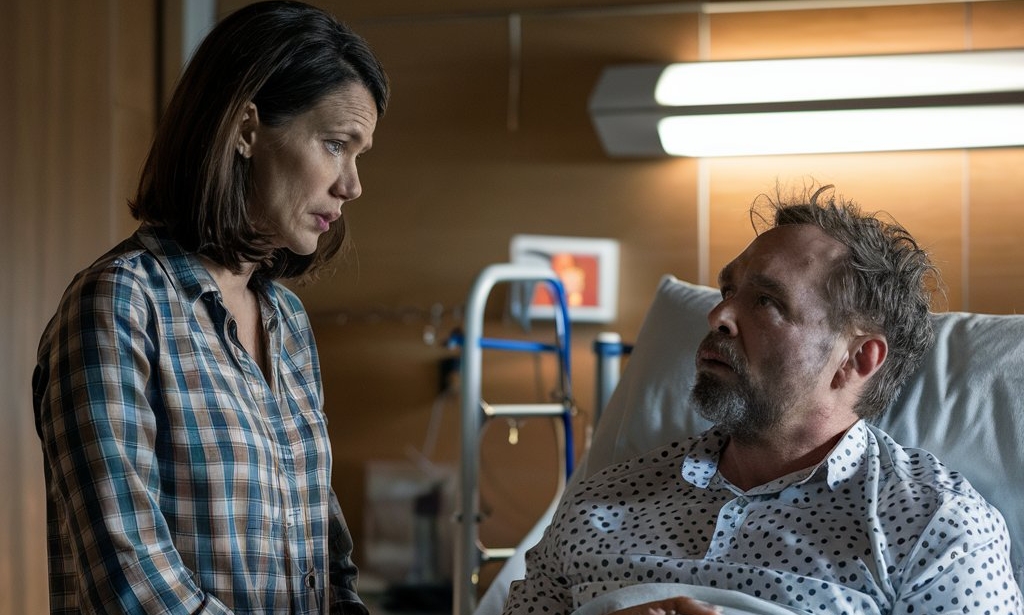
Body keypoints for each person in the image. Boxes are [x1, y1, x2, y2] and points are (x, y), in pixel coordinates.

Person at [503, 185, 1023, 615]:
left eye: (767, 301)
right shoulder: (601, 501)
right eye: (726, 290)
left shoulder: (933, 527)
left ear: (857, 359)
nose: (719, 316)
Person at [32, 2, 388, 613]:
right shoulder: (119, 306)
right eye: (336, 145)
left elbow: (325, 567)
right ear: (247, 129)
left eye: (359, 156)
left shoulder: (288, 324)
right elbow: (131, 583)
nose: (352, 184)